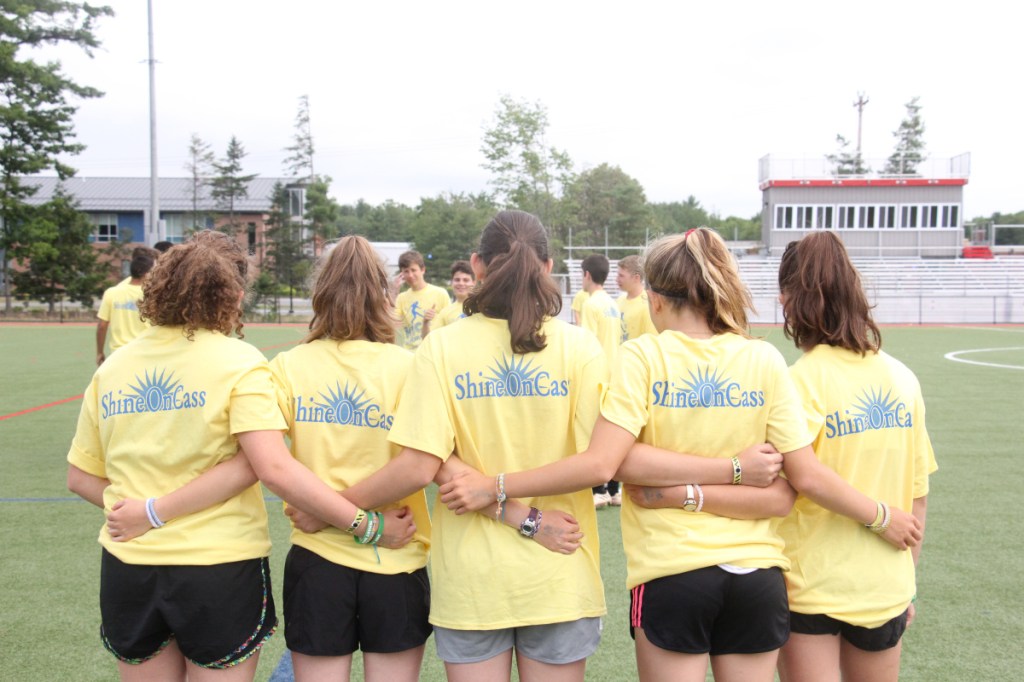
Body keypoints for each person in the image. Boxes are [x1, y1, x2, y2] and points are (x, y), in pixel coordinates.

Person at [439, 227, 923, 682]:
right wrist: (735, 470)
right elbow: (782, 494)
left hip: (672, 571)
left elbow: (615, 463)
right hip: (758, 575)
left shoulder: (644, 356)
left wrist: (679, 494)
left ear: (654, 298)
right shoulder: (764, 358)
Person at [67, 230, 414, 682]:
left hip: (129, 563)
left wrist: (137, 512)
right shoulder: (240, 361)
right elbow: (265, 464)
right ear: (232, 294)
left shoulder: (114, 367)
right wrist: (363, 523)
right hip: (218, 563)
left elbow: (79, 477)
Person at [367, 211, 609, 682]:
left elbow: (428, 458)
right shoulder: (580, 348)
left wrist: (495, 493)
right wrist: (526, 516)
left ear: (476, 265)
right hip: (559, 568)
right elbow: (598, 464)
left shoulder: (440, 348)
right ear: (547, 266)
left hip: (473, 581)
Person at [266, 236, 432, 682]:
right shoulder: (410, 366)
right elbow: (422, 464)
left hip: (318, 558)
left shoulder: (286, 366)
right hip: (396, 554)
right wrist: (365, 520)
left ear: (321, 294)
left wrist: (328, 514)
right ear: (385, 296)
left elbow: (268, 462)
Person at [774, 232, 936, 682]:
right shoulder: (903, 378)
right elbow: (918, 495)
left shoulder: (799, 381)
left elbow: (802, 478)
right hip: (885, 583)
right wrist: (908, 582)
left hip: (811, 585)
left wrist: (879, 517)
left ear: (788, 301)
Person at [577, 253, 627, 508]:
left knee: (592, 432)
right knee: (613, 431)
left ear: (587, 275)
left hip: (596, 375)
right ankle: (615, 489)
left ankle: (598, 490)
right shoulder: (613, 303)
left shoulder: (591, 304)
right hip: (614, 372)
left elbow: (587, 343)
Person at [95, 246, 158, 365]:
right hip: (145, 350)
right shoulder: (151, 294)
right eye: (153, 271)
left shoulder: (112, 292)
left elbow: (102, 326)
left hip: (118, 353)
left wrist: (99, 352)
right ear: (145, 273)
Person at [393, 250, 451, 350]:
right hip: (409, 355)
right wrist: (393, 291)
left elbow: (450, 326)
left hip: (433, 352)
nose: (410, 275)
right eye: (406, 271)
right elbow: (392, 322)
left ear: (423, 270)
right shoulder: (401, 298)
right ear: (401, 274)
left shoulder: (440, 293)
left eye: (413, 270)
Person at [423, 259, 475, 336]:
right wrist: (425, 323)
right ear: (451, 282)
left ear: (474, 282)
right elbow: (429, 339)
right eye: (457, 280)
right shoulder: (445, 312)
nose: (461, 283)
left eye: (466, 280)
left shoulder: (481, 307)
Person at [616, 255, 657, 340]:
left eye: (621, 276)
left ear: (636, 278)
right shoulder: (618, 301)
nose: (617, 279)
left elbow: (651, 341)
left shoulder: (648, 304)